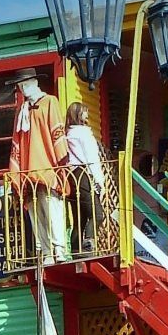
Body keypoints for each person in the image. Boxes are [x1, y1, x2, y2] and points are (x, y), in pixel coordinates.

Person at [6, 68, 70, 260]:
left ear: (35, 83)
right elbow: (17, 141)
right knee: (36, 212)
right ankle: (46, 252)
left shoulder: (50, 102)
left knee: (52, 208)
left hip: (47, 167)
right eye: (20, 86)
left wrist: (62, 163)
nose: (23, 89)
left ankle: (59, 248)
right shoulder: (22, 111)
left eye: (26, 84)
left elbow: (57, 133)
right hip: (28, 170)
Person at [63, 101, 109, 255]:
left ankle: (76, 250)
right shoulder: (83, 133)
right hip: (83, 174)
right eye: (84, 111)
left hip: (71, 176)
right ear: (78, 114)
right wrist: (99, 180)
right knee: (97, 214)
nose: (87, 114)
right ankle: (88, 244)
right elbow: (91, 158)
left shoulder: (68, 133)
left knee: (79, 218)